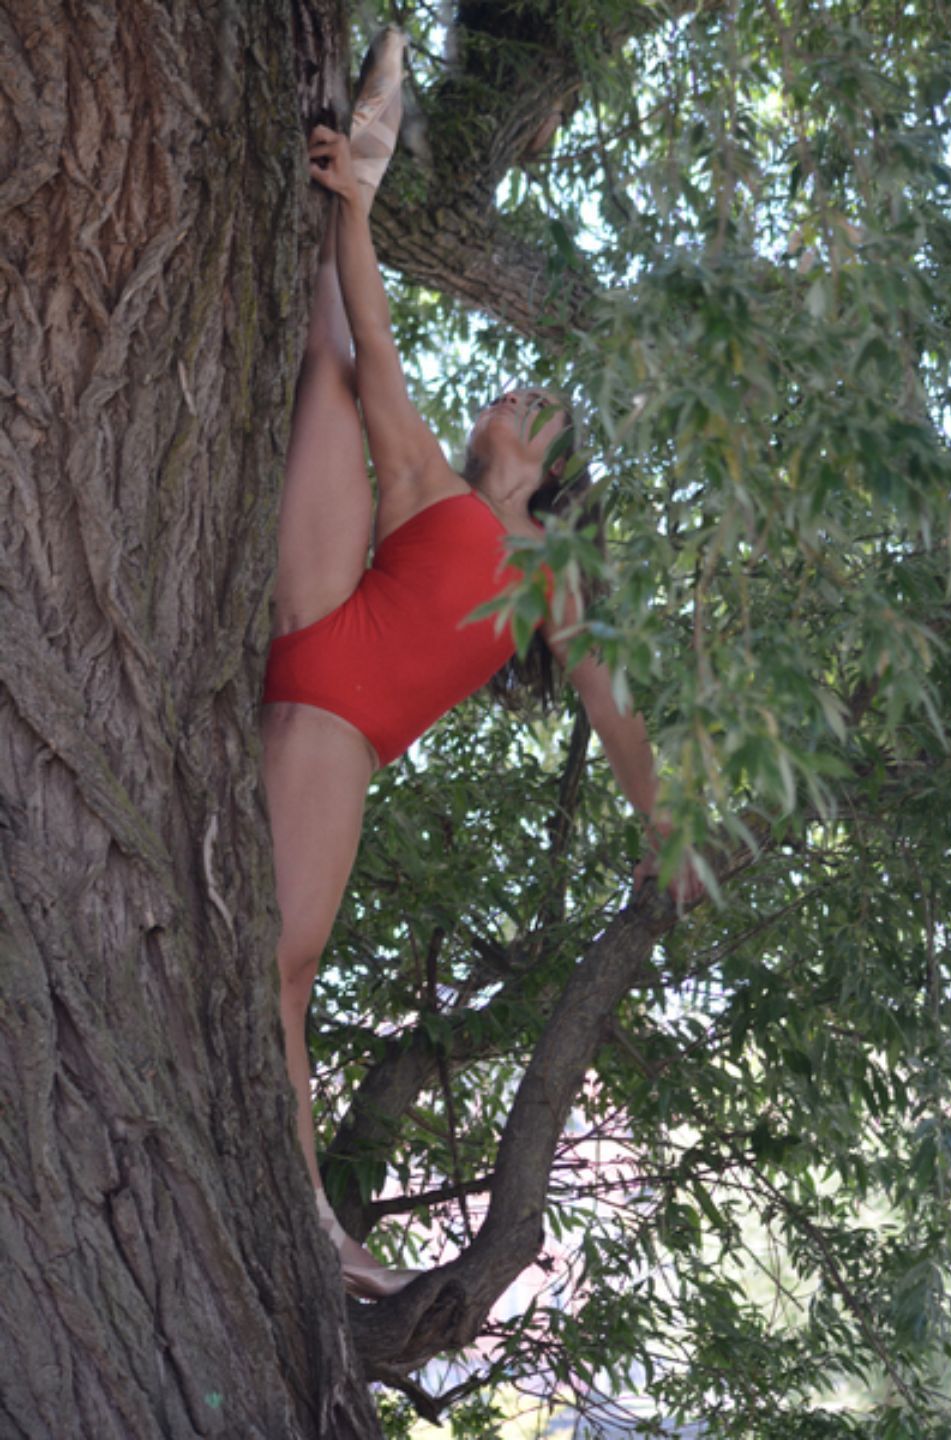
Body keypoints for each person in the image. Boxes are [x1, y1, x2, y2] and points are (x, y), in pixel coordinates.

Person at [261, 29, 700, 1298]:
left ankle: (316, 1231)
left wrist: (666, 820)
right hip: (328, 630)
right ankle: (355, 171)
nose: (524, 390)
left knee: (288, 968)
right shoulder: (437, 485)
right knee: (342, 376)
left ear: (557, 471)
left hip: (342, 714)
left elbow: (612, 712)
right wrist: (355, 204)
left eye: (545, 405)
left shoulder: (548, 582)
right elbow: (388, 346)